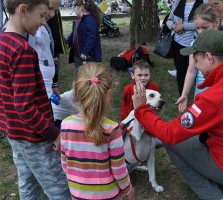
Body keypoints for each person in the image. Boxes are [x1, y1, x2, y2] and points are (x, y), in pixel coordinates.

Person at [132, 29, 223, 200]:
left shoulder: (214, 97)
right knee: (198, 139)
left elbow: (170, 134)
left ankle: (215, 196)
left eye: (196, 59)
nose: (195, 65)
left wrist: (141, 109)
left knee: (171, 142)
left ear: (209, 57)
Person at [0, 0, 71, 199]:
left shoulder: (2, 42)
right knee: (59, 188)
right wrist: (53, 133)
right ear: (23, 10)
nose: (43, 21)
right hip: (34, 137)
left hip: (13, 133)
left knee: (28, 183)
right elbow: (24, 106)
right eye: (41, 15)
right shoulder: (22, 50)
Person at [60, 62, 134, 200]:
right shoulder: (112, 129)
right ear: (109, 93)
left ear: (77, 92)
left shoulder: (65, 125)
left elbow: (65, 164)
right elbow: (119, 170)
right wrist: (127, 187)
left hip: (77, 194)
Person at [176, 3, 223, 112]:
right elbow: (191, 71)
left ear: (216, 23)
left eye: (204, 27)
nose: (200, 32)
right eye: (197, 28)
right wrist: (184, 94)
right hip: (202, 95)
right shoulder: (194, 44)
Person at [166, 0, 203, 95]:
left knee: (197, 72)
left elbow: (204, 23)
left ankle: (199, 96)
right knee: (180, 71)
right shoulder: (178, 2)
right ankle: (182, 96)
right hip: (178, 43)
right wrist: (174, 26)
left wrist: (183, 26)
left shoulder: (204, 2)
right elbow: (169, 20)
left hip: (197, 45)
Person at [29, 0, 61, 98]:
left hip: (47, 87)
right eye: (50, 8)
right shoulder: (29, 30)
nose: (52, 14)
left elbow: (49, 49)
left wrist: (53, 84)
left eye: (55, 10)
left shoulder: (45, 25)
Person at [66, 0, 102, 78]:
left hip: (86, 55)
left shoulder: (90, 19)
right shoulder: (80, 19)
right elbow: (74, 33)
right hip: (77, 54)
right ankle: (78, 88)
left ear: (81, 7)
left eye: (76, 6)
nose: (74, 9)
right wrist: (67, 42)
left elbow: (91, 37)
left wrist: (85, 51)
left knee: (85, 76)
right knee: (78, 73)